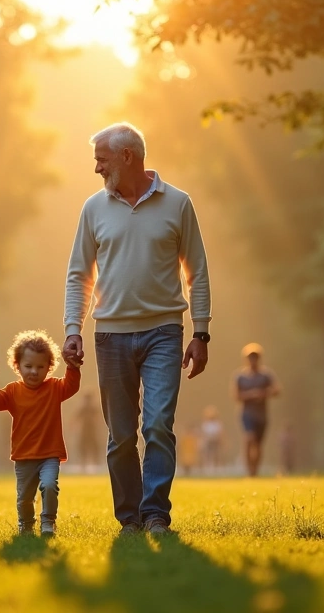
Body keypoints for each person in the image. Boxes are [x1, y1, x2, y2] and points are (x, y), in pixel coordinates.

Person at [63, 122, 212, 536]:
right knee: (122, 435)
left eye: (101, 160)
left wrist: (201, 333)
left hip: (165, 330)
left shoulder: (178, 203)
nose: (96, 168)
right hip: (110, 335)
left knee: (159, 423)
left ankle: (155, 515)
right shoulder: (93, 208)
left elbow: (197, 272)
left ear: (127, 156)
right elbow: (79, 275)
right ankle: (129, 518)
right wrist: (72, 327)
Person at [0, 330, 82, 536]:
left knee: (49, 486)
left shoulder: (54, 388)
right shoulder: (12, 391)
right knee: (24, 497)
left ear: (49, 367)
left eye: (40, 367)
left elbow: (71, 386)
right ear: (17, 366)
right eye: (28, 366)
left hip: (49, 455)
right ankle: (26, 525)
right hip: (24, 456)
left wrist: (72, 366)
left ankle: (48, 522)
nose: (34, 372)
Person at [232, 342, 281, 476]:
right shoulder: (240, 376)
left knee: (258, 445)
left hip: (262, 415)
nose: (253, 360)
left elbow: (277, 390)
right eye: (250, 357)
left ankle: (255, 471)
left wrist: (263, 393)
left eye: (255, 357)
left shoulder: (266, 375)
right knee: (249, 438)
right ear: (246, 359)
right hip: (247, 414)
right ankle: (249, 471)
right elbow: (236, 396)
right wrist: (251, 395)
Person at [73, 391, 103, 473]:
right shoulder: (83, 408)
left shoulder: (93, 408)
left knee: (94, 448)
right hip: (84, 432)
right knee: (83, 449)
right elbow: (76, 419)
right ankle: (83, 466)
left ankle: (96, 466)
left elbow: (99, 418)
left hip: (92, 432)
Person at [200, 406, 223, 474]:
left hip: (215, 441)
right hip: (208, 441)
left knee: (216, 455)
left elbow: (220, 433)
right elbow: (203, 434)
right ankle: (208, 468)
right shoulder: (205, 424)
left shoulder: (217, 423)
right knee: (207, 455)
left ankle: (217, 468)